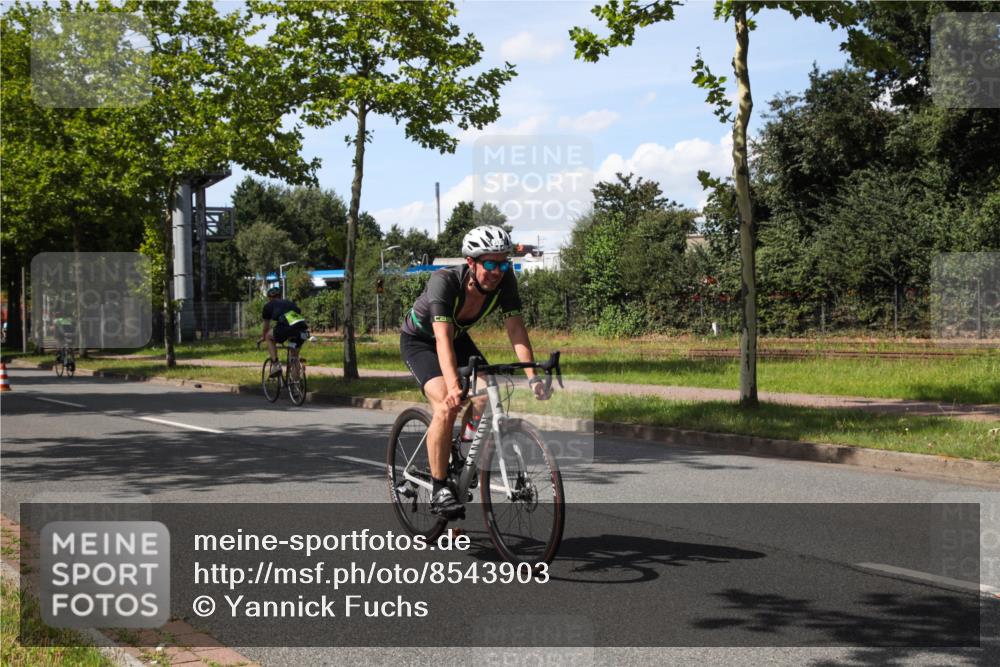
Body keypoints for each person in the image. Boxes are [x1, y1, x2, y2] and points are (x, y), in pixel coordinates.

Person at [400, 225, 550, 519]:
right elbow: (441, 339)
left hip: (456, 338)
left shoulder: (506, 280)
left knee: (484, 393)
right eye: (490, 264)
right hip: (421, 341)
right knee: (446, 404)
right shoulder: (444, 282)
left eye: (503, 263)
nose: (497, 271)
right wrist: (454, 386)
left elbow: (516, 329)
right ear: (471, 262)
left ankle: (461, 453)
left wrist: (532, 377)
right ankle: (440, 489)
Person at [260, 287, 309, 377]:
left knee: (268, 336)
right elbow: (297, 316)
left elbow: (266, 326)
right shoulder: (290, 303)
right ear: (280, 296)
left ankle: (276, 364)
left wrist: (263, 337)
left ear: (269, 298)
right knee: (294, 357)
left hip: (286, 327)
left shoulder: (268, 305)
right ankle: (296, 383)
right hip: (302, 330)